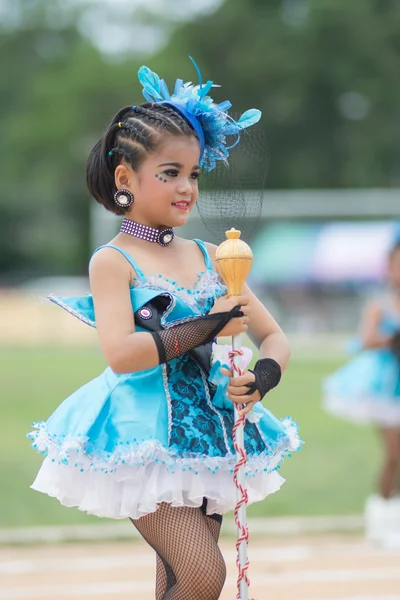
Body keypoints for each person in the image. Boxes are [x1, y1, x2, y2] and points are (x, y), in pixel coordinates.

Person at [29, 59, 301, 600]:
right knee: (205, 576)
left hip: (209, 433)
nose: (186, 188)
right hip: (143, 435)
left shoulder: (211, 254)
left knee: (178, 581)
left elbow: (274, 336)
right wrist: (210, 324)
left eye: (194, 174)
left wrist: (262, 377)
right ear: (125, 178)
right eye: (170, 173)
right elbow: (123, 354)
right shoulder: (113, 260)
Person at [323, 240, 400, 545]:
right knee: (395, 454)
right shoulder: (380, 303)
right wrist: (391, 340)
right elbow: (365, 339)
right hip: (384, 386)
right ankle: (381, 517)